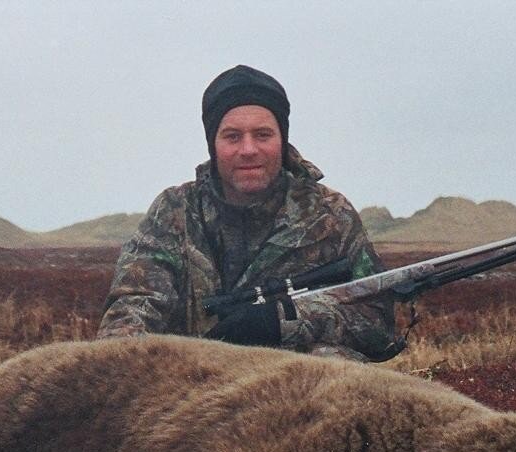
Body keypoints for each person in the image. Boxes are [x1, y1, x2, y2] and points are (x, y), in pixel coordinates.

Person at [97, 65, 401, 361]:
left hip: (297, 392)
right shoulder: (174, 211)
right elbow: (133, 307)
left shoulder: (330, 214)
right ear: (212, 144)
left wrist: (285, 320)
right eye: (232, 136)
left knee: (332, 362)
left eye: (263, 135)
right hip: (195, 390)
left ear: (282, 140)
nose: (248, 149)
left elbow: (377, 324)